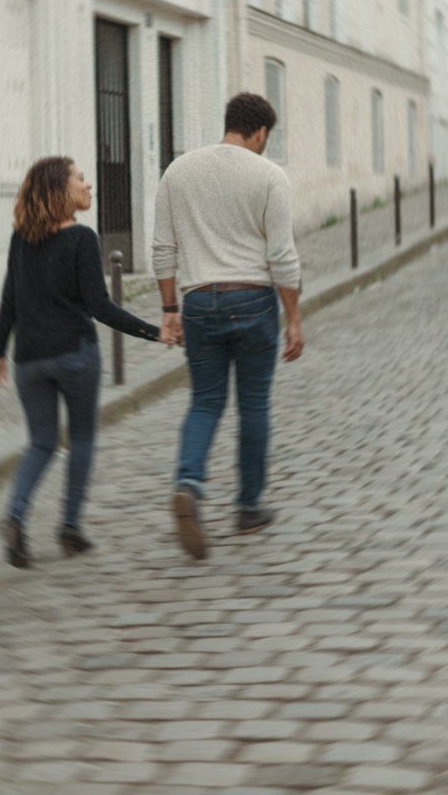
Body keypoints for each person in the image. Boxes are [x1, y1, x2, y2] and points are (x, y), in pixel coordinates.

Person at [0, 156, 164, 568]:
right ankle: (69, 528)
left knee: (41, 443)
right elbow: (100, 307)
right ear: (59, 191)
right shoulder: (82, 239)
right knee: (82, 438)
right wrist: (153, 332)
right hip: (74, 355)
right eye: (80, 179)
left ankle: (15, 515)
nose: (89, 185)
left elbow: (9, 299)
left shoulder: (21, 238)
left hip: (29, 359)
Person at [152, 92, 304, 560]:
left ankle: (189, 484)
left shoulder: (178, 171)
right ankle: (248, 506)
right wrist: (294, 318)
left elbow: (162, 249)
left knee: (204, 402)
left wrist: (170, 309)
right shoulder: (269, 176)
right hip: (253, 300)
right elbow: (281, 256)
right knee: (253, 405)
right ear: (259, 133)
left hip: (199, 302)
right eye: (266, 137)